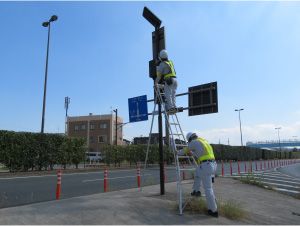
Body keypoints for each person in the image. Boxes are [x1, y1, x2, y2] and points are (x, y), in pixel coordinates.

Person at [177, 132, 218, 217]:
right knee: (197, 173)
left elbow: (184, 151)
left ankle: (213, 210)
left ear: (190, 139)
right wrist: (193, 153)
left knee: (208, 189)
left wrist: (176, 152)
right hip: (213, 165)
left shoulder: (193, 142)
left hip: (206, 166)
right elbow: (201, 153)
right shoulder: (204, 141)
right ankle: (196, 191)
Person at [155, 49, 177, 114]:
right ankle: (174, 107)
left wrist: (156, 83)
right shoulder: (170, 62)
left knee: (168, 94)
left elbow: (159, 76)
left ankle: (171, 108)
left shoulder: (162, 64)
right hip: (175, 80)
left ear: (160, 57)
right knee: (173, 94)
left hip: (169, 80)